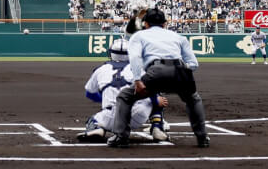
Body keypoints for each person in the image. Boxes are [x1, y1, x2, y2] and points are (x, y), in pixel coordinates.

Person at [108, 8, 209, 148]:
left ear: (146, 24)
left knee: (125, 96)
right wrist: (179, 73)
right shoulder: (178, 37)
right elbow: (193, 64)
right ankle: (202, 137)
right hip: (180, 70)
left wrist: (138, 80)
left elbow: (135, 57)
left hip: (155, 71)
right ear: (165, 23)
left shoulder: (139, 36)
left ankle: (121, 136)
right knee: (193, 99)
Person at [77, 38, 169, 143]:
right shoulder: (139, 68)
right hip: (138, 114)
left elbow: (90, 94)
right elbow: (151, 87)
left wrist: (106, 97)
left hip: (111, 117)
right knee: (156, 93)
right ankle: (157, 127)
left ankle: (98, 129)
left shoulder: (100, 70)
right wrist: (155, 100)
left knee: (93, 120)